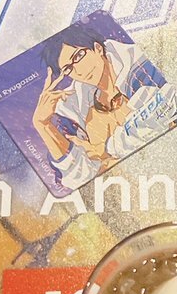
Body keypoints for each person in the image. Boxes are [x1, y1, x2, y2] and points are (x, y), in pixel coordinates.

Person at [31, 22, 162, 189]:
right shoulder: (78, 109)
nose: (78, 70)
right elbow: (78, 179)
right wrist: (43, 125)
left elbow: (161, 120)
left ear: (98, 48)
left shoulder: (139, 68)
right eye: (68, 69)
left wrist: (102, 150)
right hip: (131, 188)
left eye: (78, 56)